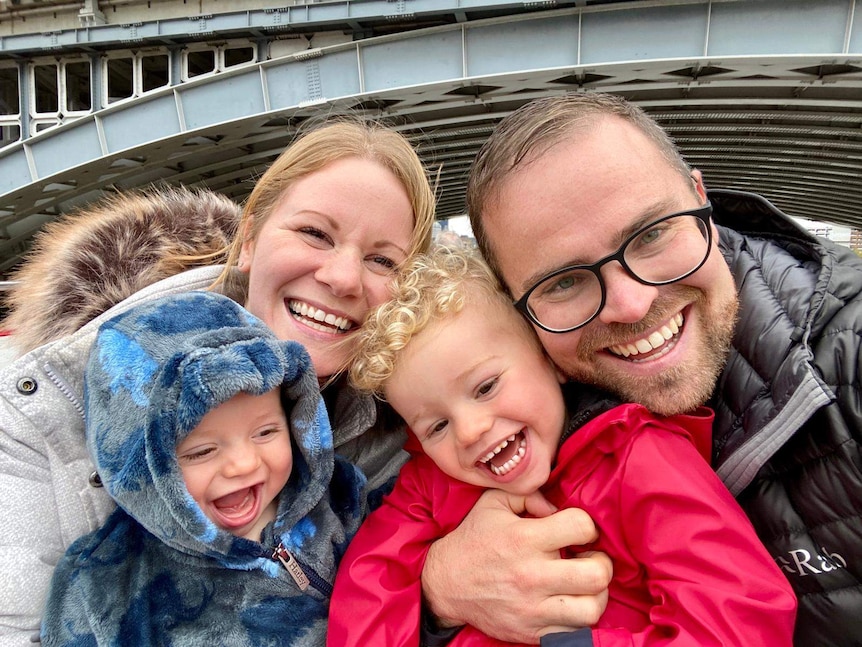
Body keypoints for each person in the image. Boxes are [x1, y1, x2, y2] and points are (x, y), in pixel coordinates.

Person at [416, 92, 861, 646]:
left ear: (703, 205)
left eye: (651, 233)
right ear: (517, 309)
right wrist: (436, 597)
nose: (629, 304)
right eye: (563, 281)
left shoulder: (851, 367)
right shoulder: (511, 416)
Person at [0, 120, 462, 645]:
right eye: (314, 233)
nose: (344, 278)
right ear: (248, 242)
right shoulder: (46, 405)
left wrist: (437, 596)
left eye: (382, 260)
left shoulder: (414, 425)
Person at [327, 245, 796, 646]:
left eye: (486, 387)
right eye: (436, 426)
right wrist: (433, 607)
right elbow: (362, 606)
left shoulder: (635, 455)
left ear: (551, 361)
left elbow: (739, 614)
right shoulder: (428, 488)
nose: (468, 431)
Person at [42, 290, 366, 646]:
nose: (244, 463)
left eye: (266, 431)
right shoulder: (103, 584)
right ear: (142, 470)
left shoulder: (341, 496)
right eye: (201, 451)